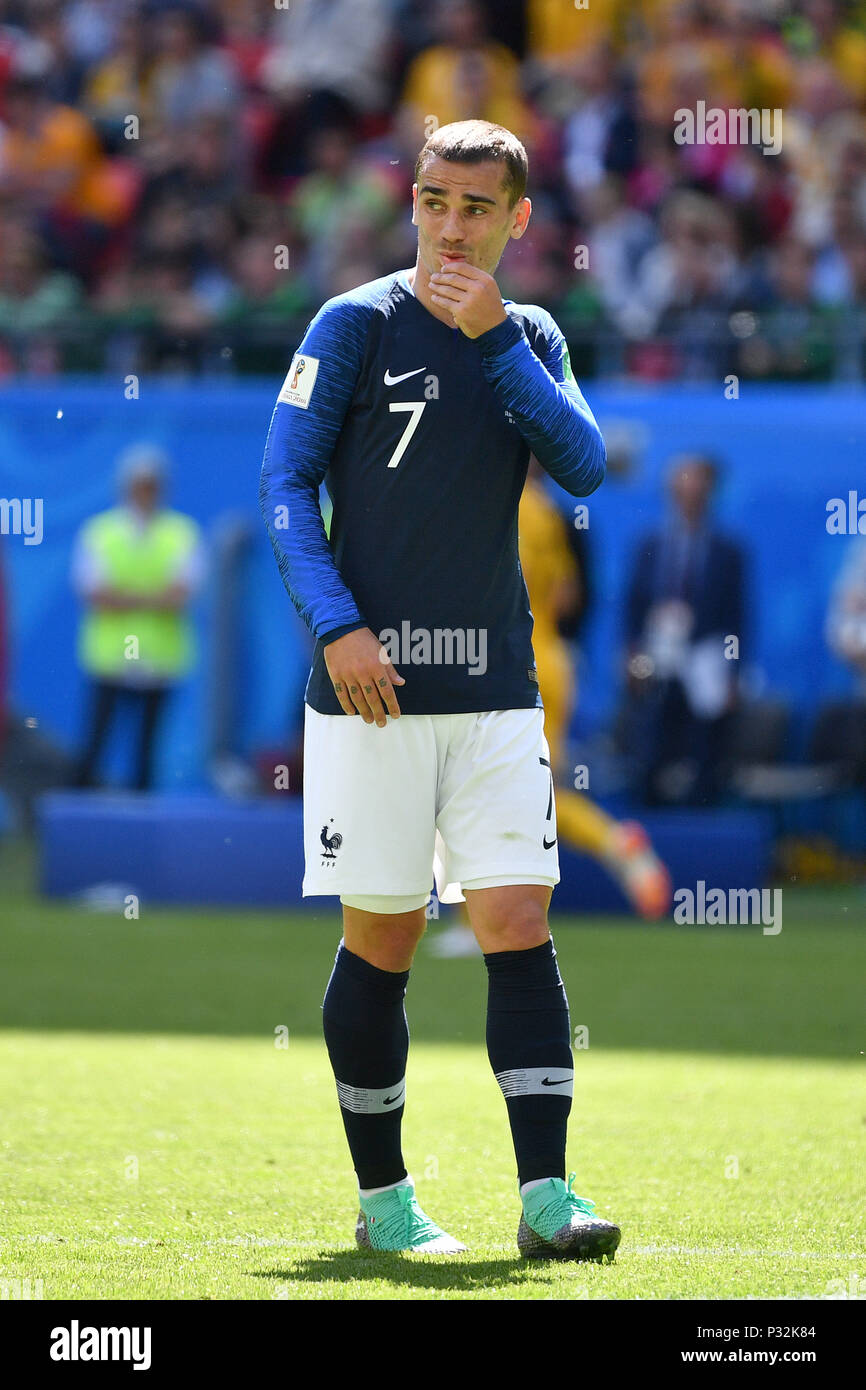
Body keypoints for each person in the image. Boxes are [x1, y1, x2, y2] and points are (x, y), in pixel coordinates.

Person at [260, 119, 620, 1261]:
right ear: (409, 201)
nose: (449, 225)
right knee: (386, 937)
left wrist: (496, 345)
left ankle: (547, 1199)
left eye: (474, 207)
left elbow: (585, 465)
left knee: (517, 918)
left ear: (517, 220)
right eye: (431, 200)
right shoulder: (351, 324)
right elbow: (281, 484)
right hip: (371, 695)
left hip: (498, 691)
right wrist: (338, 627)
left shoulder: (529, 334)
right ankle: (383, 1203)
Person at [71, 444, 203, 791]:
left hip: (159, 661)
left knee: (146, 754)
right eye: (140, 484)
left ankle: (137, 834)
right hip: (110, 659)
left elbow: (182, 594)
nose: (146, 491)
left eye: (152, 484)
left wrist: (124, 596)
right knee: (96, 744)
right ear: (126, 486)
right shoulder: (100, 532)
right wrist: (153, 597)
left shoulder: (181, 532)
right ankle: (80, 824)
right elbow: (94, 594)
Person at [623, 454, 745, 805]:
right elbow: (633, 606)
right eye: (684, 483)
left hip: (706, 656)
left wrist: (733, 671)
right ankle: (648, 805)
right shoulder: (650, 545)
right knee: (652, 728)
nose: (690, 492)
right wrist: (632, 653)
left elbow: (737, 616)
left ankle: (704, 810)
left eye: (698, 484)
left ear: (710, 491)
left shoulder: (728, 552)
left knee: (706, 738)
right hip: (657, 653)